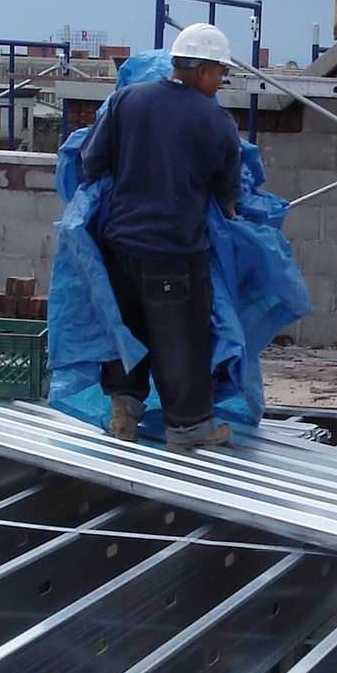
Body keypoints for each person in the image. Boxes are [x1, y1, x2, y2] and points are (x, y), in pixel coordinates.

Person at [78, 22, 244, 450]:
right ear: (205, 71)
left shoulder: (127, 100)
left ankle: (124, 415)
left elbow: (91, 163)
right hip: (173, 250)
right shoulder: (216, 121)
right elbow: (229, 194)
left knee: (126, 330)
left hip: (119, 247)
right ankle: (188, 429)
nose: (220, 83)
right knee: (181, 339)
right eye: (220, 74)